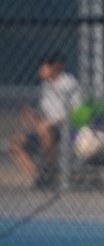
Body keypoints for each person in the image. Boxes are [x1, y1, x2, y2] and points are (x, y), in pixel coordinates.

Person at [9, 53, 82, 188]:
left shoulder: (68, 83)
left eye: (44, 67)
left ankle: (52, 168)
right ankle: (40, 176)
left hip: (66, 127)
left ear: (55, 67)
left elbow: (76, 112)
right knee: (15, 145)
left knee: (44, 128)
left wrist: (53, 122)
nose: (40, 70)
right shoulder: (45, 86)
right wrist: (33, 115)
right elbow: (46, 112)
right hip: (47, 127)